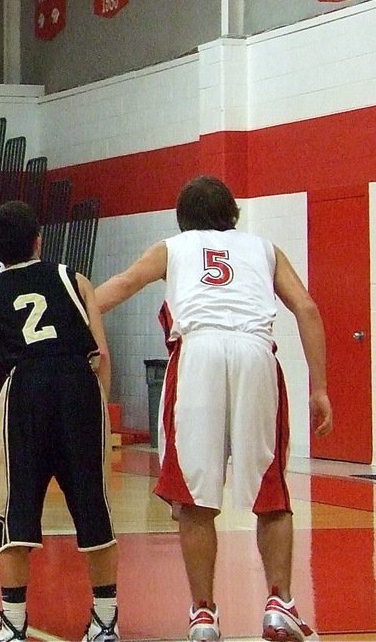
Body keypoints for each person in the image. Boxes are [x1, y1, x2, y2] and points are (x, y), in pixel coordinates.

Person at [94, 175, 332, 642]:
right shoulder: (265, 248)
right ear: (234, 214)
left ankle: (203, 613)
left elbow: (121, 285)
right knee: (271, 489)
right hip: (254, 353)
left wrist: (73, 312)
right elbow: (306, 308)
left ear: (182, 219)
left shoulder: (173, 248)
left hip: (197, 354)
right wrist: (319, 386)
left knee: (195, 496)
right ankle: (279, 604)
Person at [0, 200, 119, 642]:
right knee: (94, 508)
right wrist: (98, 409)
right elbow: (102, 354)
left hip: (25, 394)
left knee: (14, 516)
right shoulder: (74, 278)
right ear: (39, 240)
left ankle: (14, 624)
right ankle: (105, 620)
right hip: (77, 387)